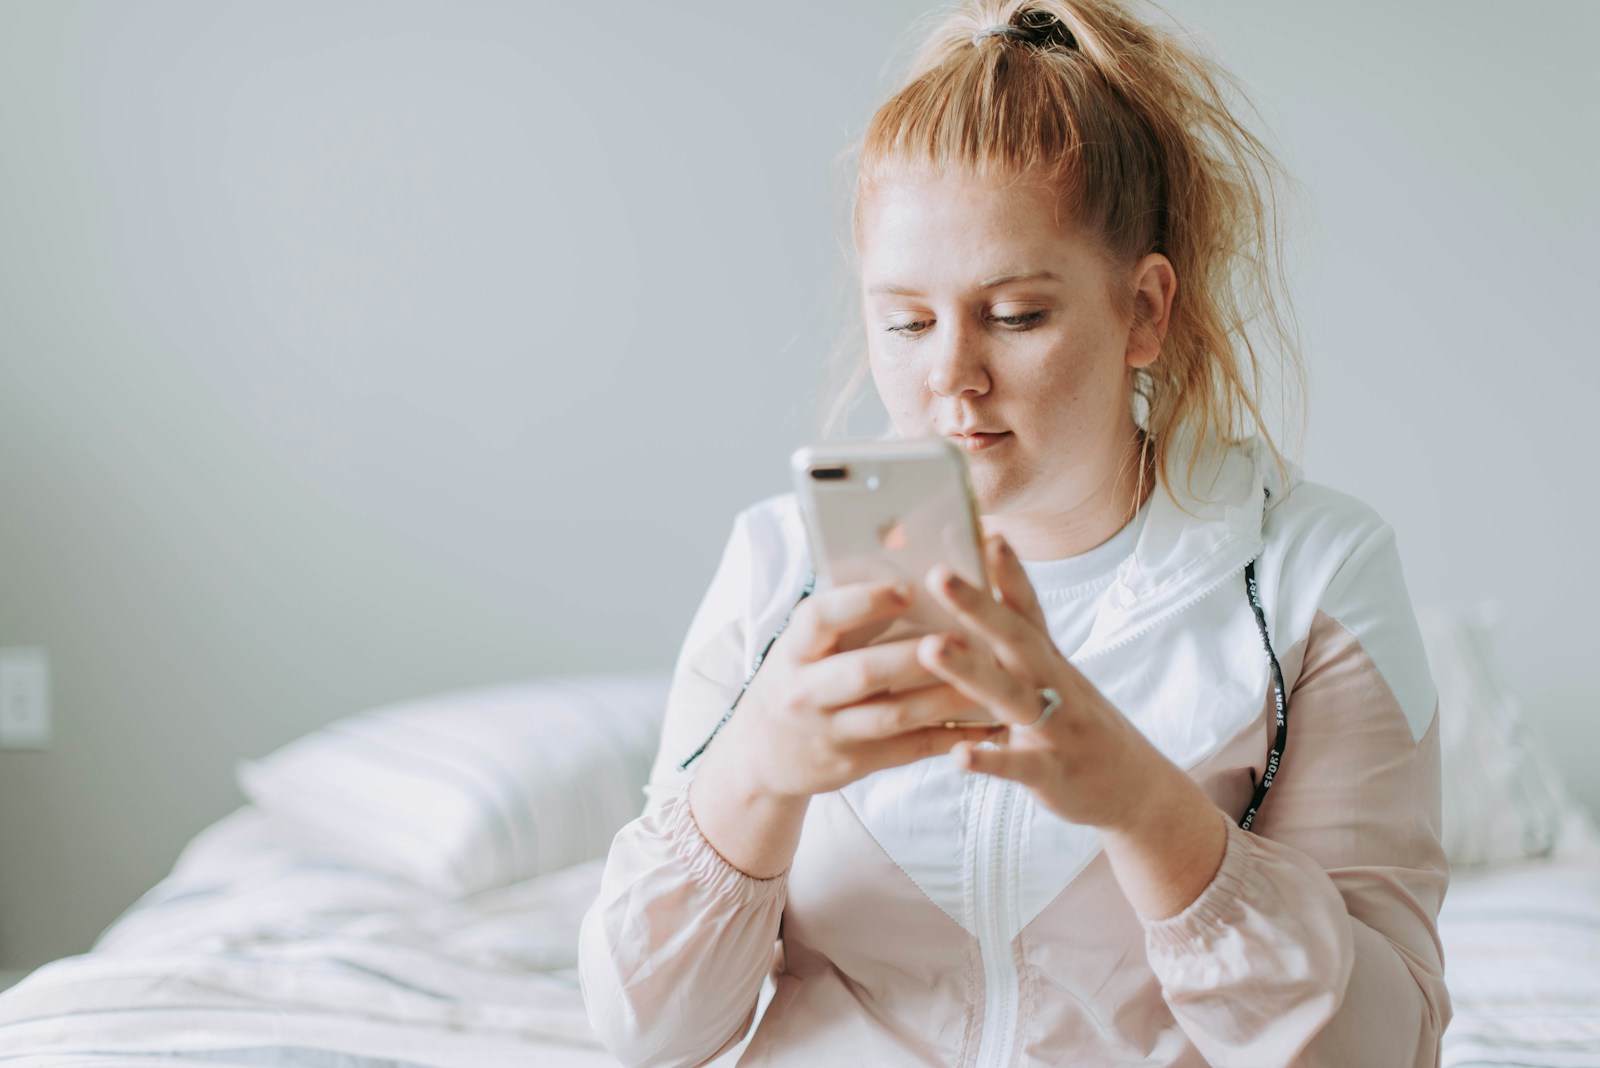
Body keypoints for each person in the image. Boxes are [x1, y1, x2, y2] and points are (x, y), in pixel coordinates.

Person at [579, 1, 1450, 1064]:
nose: (948, 376)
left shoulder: (1315, 576)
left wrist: (1141, 805)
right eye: (904, 321)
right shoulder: (776, 570)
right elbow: (643, 1035)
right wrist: (754, 773)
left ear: (1145, 310)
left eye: (1015, 315)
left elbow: (1383, 1046)